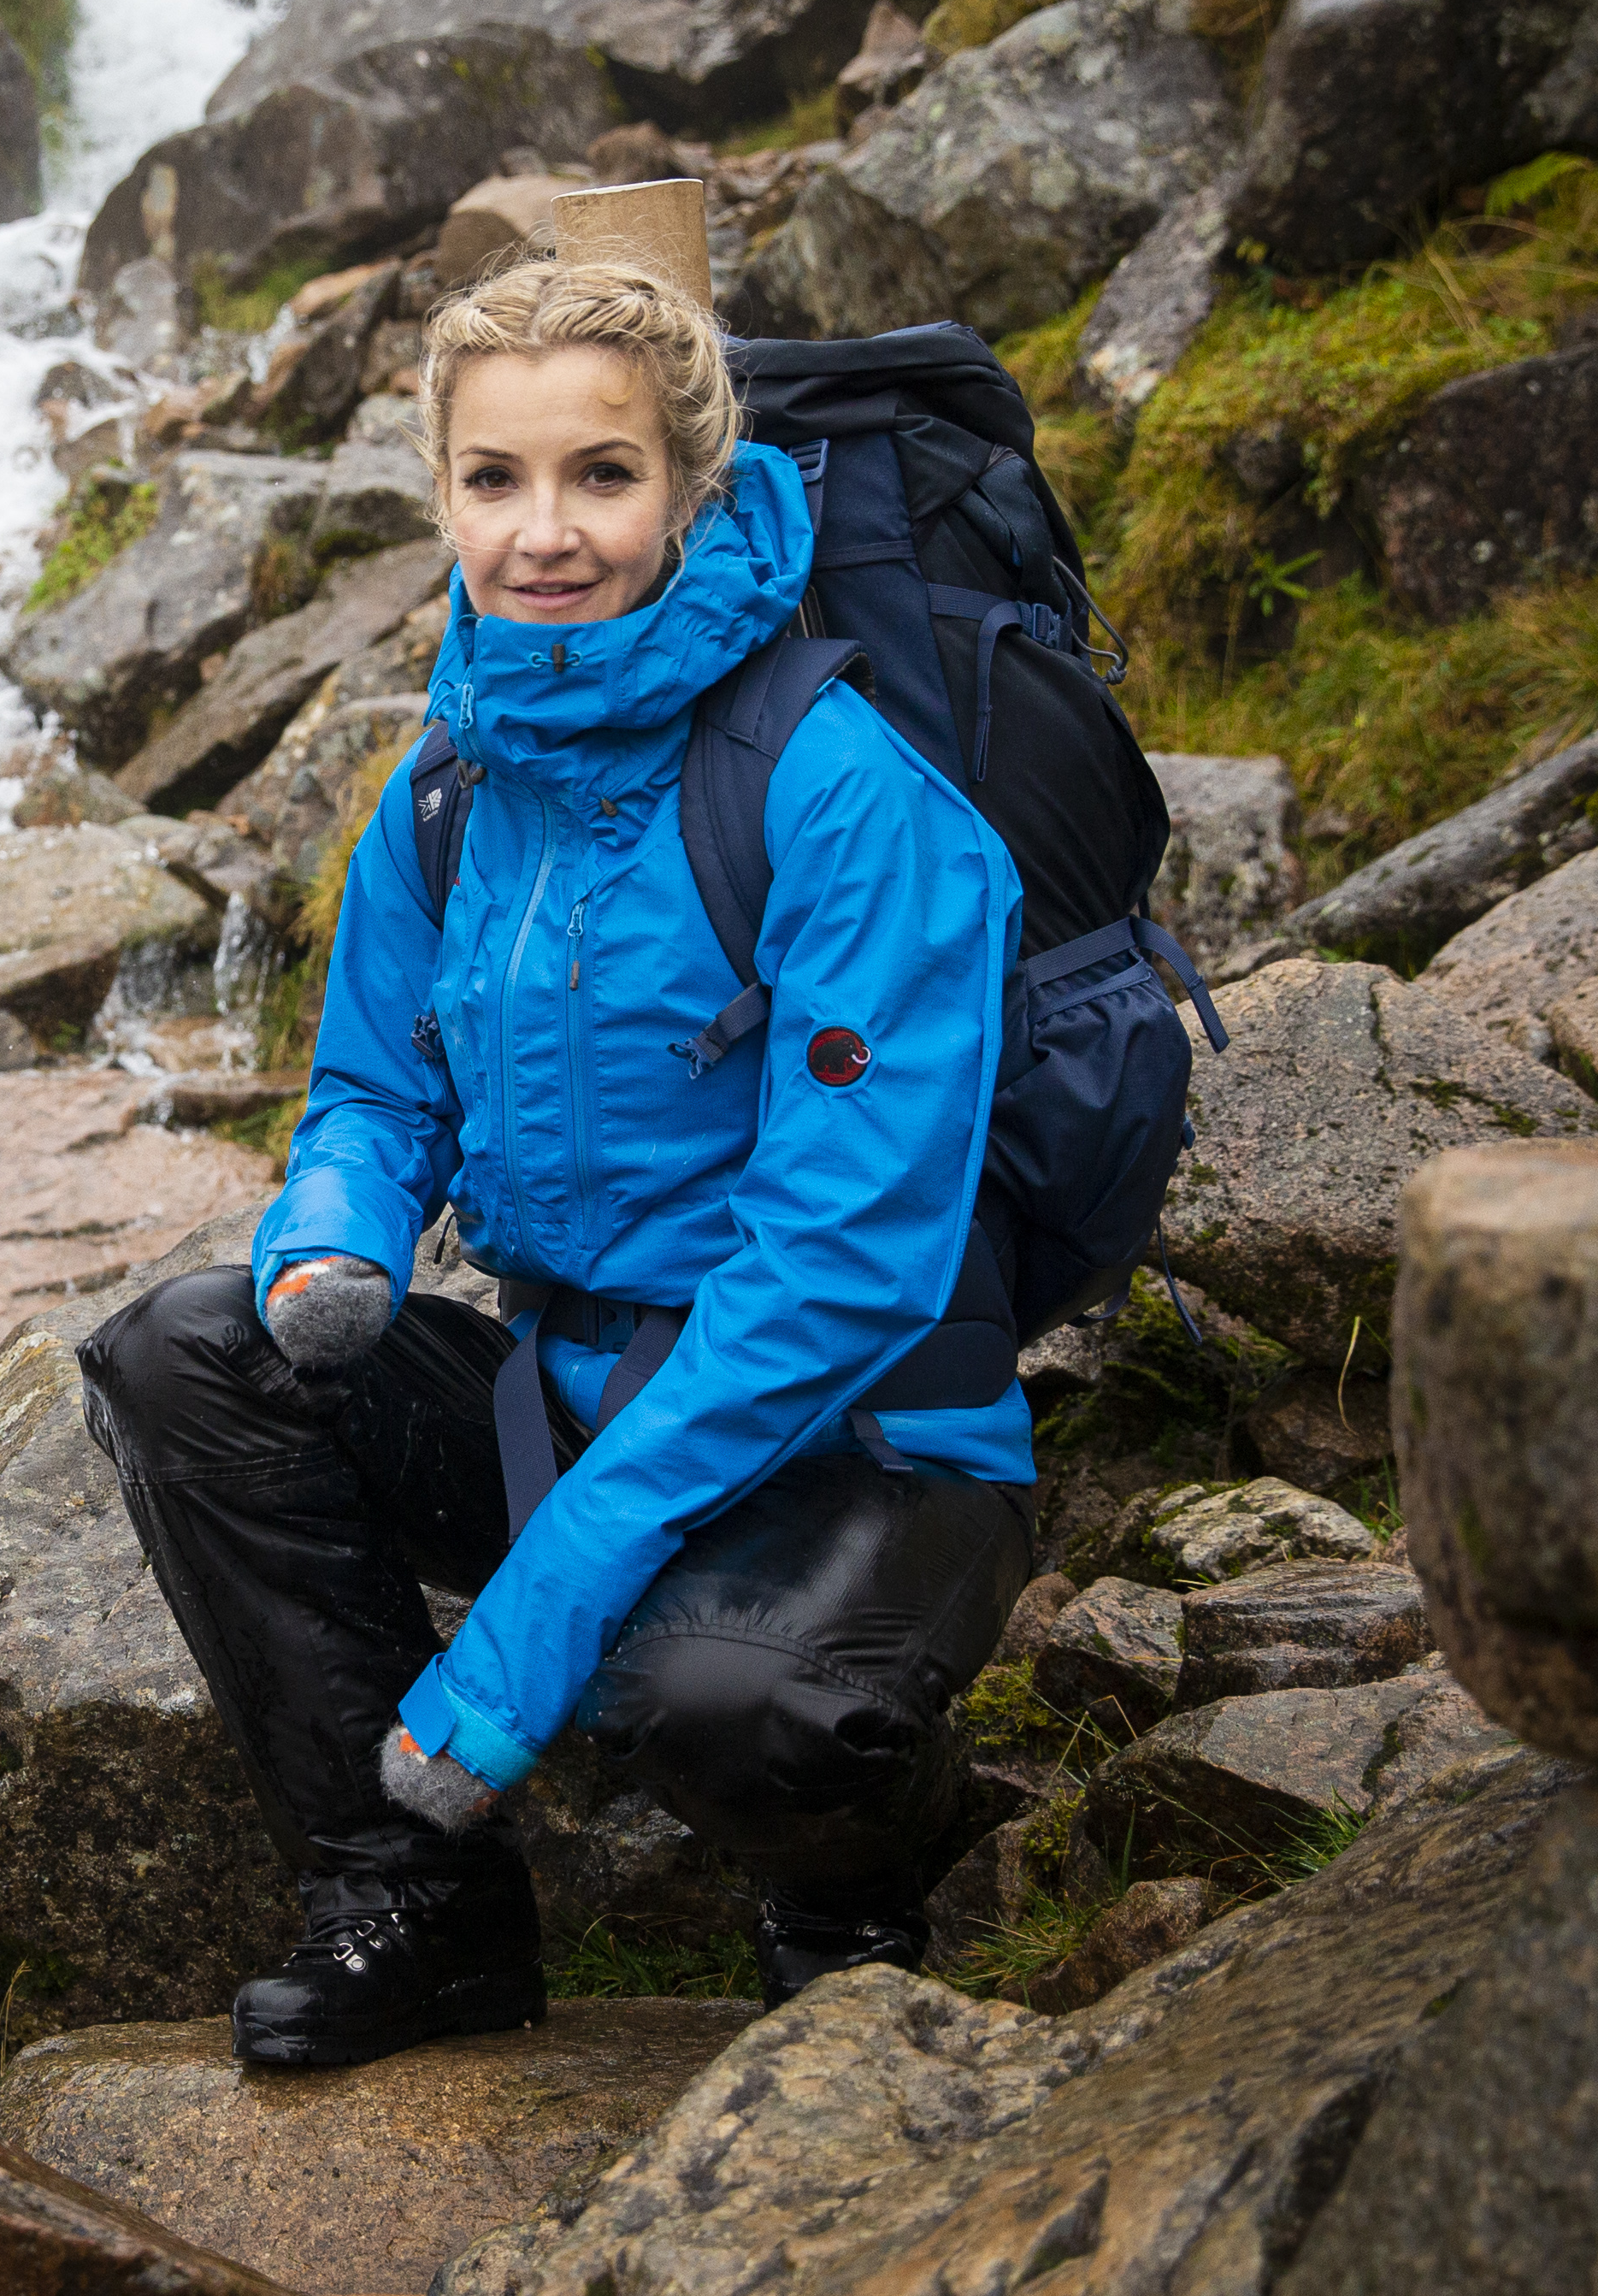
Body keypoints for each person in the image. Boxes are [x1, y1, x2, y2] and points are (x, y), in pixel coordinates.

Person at [75, 249, 1037, 2069]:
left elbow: (842, 1266)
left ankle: (854, 1895)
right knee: (183, 1353)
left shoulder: (837, 789)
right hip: (581, 1379)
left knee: (729, 1695)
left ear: (692, 488)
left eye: (602, 474)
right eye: (495, 479)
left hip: (868, 1425)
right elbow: (371, 1083)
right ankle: (418, 1915)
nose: (545, 533)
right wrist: (340, 1242)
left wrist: (528, 1626)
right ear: (438, 494)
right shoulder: (448, 784)